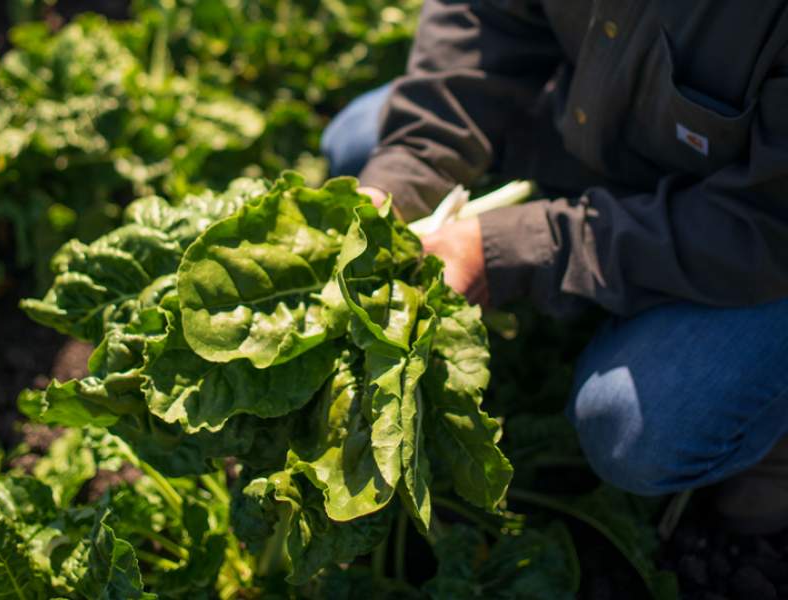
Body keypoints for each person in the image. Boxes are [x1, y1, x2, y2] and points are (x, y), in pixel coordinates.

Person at [321, 0, 788, 535]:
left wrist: (517, 251)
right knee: (361, 147)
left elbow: (765, 223)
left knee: (638, 430)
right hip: (616, 121)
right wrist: (414, 166)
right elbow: (482, 16)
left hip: (758, 223)